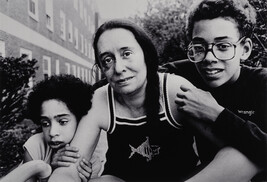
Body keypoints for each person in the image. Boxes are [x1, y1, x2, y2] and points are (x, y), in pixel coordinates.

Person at [48, 19, 259, 182]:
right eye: (107, 60)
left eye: (127, 53)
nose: (119, 68)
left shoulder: (174, 89)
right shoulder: (100, 100)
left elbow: (237, 154)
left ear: (146, 55)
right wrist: (64, 170)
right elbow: (68, 170)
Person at [160, 0, 267, 180]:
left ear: (245, 49)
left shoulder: (262, 83)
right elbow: (138, 77)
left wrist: (217, 114)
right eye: (199, 47)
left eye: (223, 46)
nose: (209, 58)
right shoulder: (185, 73)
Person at [20, 74, 104, 182]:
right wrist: (52, 172)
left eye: (62, 122)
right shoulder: (35, 147)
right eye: (45, 123)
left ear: (80, 120)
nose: (52, 132)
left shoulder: (90, 160)